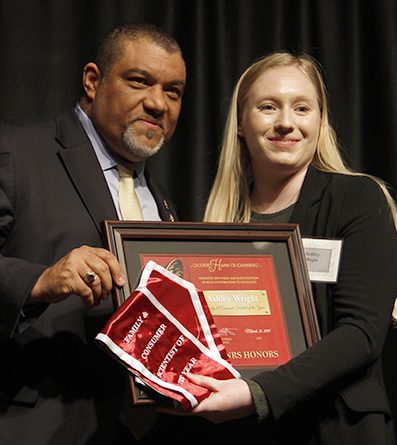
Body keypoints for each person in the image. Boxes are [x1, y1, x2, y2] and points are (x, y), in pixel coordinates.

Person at [175, 52, 397, 444]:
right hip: (245, 433)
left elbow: (362, 332)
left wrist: (258, 393)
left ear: (320, 120)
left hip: (333, 429)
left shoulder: (357, 198)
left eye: (301, 107)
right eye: (267, 107)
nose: (285, 122)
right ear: (241, 124)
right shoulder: (218, 225)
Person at [0, 23, 186, 444]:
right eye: (139, 81)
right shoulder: (17, 151)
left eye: (173, 91)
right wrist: (39, 281)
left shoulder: (164, 202)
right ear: (92, 80)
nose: (158, 103)